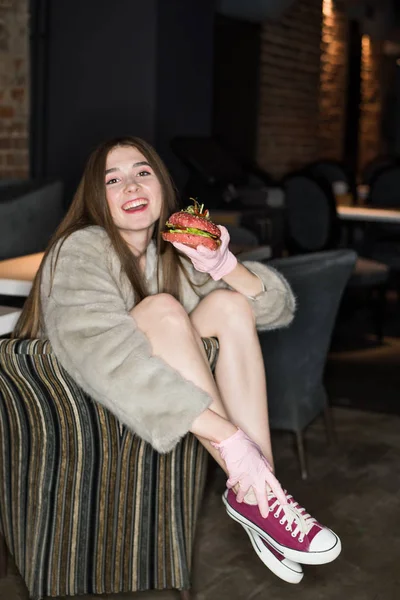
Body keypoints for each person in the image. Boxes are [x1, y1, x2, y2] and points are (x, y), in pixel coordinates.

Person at [13, 136, 341, 585]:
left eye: (142, 172)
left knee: (231, 307)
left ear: (163, 187)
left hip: (156, 406)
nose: (131, 185)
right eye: (113, 179)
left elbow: (275, 309)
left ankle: (261, 495)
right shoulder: (80, 248)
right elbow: (98, 354)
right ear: (95, 198)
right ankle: (256, 485)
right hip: (80, 407)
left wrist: (224, 267)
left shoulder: (171, 253)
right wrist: (230, 438)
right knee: (164, 310)